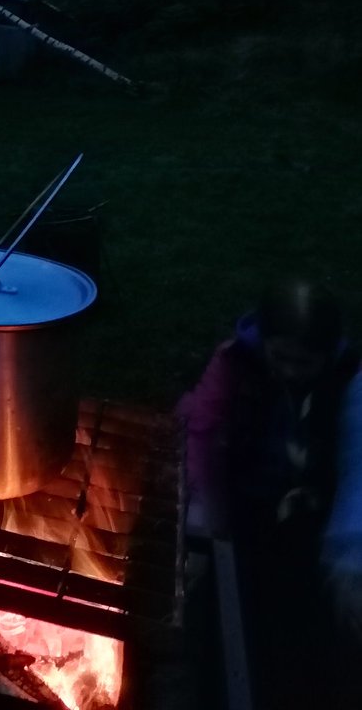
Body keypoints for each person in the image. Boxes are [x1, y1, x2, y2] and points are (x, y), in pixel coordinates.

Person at [180, 279, 362, 707]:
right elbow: (201, 430)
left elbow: (358, 467)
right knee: (236, 625)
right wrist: (208, 507)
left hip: (316, 521)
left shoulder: (350, 381)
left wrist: (349, 559)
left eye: (306, 363)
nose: (291, 372)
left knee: (305, 635)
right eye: (281, 358)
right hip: (248, 514)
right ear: (264, 342)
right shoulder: (235, 364)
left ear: (328, 353)